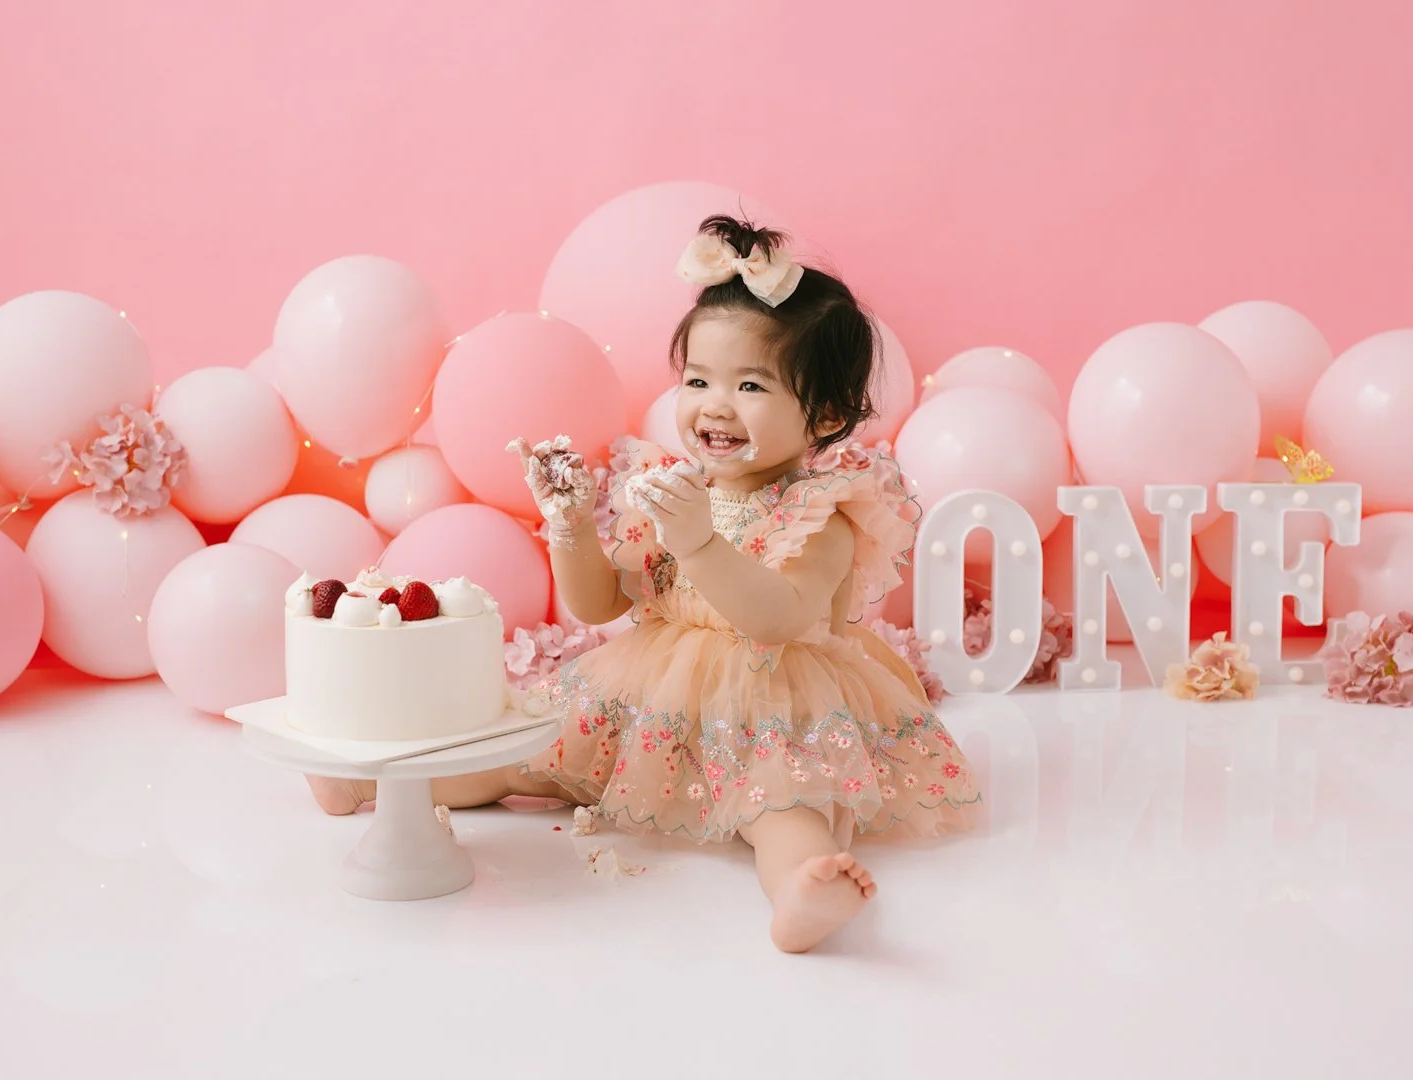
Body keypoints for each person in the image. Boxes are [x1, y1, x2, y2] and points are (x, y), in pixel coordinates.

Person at [310, 215, 979, 952]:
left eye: (750, 384)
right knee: (512, 757)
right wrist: (570, 525)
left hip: (773, 703)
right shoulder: (663, 484)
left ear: (821, 414)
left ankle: (800, 889)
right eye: (698, 380)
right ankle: (369, 786)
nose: (714, 405)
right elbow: (600, 606)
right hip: (651, 695)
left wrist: (697, 541)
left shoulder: (818, 512)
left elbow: (780, 617)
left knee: (784, 809)